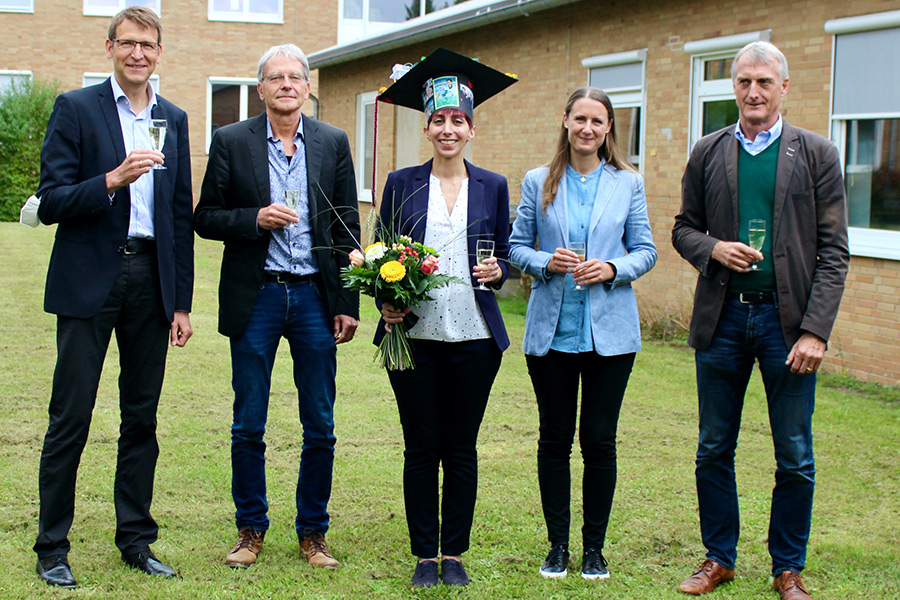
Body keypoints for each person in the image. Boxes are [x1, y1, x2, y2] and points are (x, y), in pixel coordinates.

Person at [672, 41, 849, 600]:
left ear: (784, 88)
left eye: (764, 83)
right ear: (734, 86)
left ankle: (787, 568)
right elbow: (683, 228)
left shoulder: (816, 153)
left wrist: (816, 330)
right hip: (723, 321)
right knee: (712, 447)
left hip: (788, 325)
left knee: (794, 453)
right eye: (744, 81)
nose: (753, 92)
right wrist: (713, 249)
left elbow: (834, 251)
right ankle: (718, 557)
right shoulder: (707, 151)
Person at [32, 6, 193, 588]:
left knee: (141, 418)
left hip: (151, 282)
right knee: (70, 417)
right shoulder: (77, 109)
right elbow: (50, 201)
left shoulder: (173, 118)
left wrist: (180, 302)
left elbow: (178, 216)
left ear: (157, 52)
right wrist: (111, 180)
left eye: (147, 45)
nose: (137, 54)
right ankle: (52, 546)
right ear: (109, 49)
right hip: (89, 281)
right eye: (127, 44)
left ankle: (137, 540)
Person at [193, 43, 359, 572]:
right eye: (275, 77)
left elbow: (347, 225)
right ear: (260, 88)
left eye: (295, 77)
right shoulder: (230, 141)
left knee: (321, 422)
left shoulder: (333, 141)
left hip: (314, 294)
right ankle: (250, 528)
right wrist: (253, 219)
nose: (286, 84)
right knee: (249, 422)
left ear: (308, 87)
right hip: (257, 293)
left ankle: (313, 532)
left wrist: (347, 299)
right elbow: (205, 217)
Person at [375, 47, 516, 588]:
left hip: (475, 336)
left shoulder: (494, 186)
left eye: (459, 120)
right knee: (420, 446)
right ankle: (422, 556)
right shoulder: (401, 182)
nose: (449, 129)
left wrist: (498, 272)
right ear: (427, 127)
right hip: (413, 337)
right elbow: (381, 254)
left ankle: (452, 552)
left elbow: (505, 253)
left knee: (460, 447)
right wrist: (386, 300)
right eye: (440, 120)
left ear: (471, 129)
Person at [509, 86, 657, 581]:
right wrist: (544, 261)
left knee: (598, 441)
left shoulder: (627, 183)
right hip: (551, 333)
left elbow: (646, 250)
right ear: (566, 121)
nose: (588, 129)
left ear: (608, 127)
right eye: (580, 119)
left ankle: (594, 548)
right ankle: (557, 546)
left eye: (598, 121)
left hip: (609, 335)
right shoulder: (538, 181)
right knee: (554, 439)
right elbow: (515, 247)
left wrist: (613, 268)